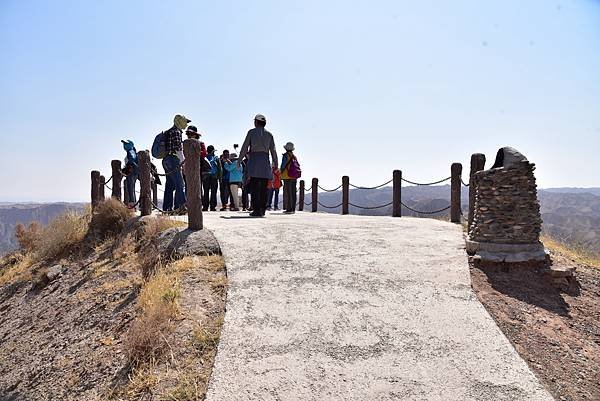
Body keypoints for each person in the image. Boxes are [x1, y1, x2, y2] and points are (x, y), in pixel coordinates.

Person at [238, 114, 278, 217]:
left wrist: (239, 160)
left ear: (256, 122)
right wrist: (276, 164)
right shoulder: (269, 134)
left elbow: (245, 147)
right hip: (265, 161)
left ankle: (256, 210)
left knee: (255, 186)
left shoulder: (251, 132)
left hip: (254, 161)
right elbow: (273, 150)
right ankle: (262, 210)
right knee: (264, 188)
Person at [162, 114, 189, 212]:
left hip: (166, 160)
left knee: (170, 186)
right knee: (180, 184)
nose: (186, 124)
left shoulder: (169, 131)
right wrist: (183, 164)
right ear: (180, 121)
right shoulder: (177, 132)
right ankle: (181, 206)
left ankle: (167, 208)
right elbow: (178, 149)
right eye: (185, 122)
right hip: (173, 160)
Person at [280, 142, 301, 213]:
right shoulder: (294, 156)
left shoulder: (285, 155)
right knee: (293, 192)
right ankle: (293, 209)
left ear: (286, 148)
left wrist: (280, 173)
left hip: (287, 176)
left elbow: (283, 166)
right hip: (294, 176)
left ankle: (289, 209)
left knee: (288, 193)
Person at [202, 145, 221, 211]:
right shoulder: (216, 158)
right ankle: (212, 207)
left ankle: (205, 207)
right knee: (213, 192)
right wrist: (220, 178)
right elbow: (219, 168)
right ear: (213, 151)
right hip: (214, 177)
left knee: (206, 192)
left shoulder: (204, 158)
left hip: (206, 176)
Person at [121, 140, 139, 209]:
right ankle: (133, 206)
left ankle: (132, 205)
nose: (124, 145)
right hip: (134, 172)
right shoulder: (133, 151)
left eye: (126, 143)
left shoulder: (130, 151)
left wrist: (129, 167)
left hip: (131, 172)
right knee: (132, 189)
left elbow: (131, 160)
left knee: (130, 189)